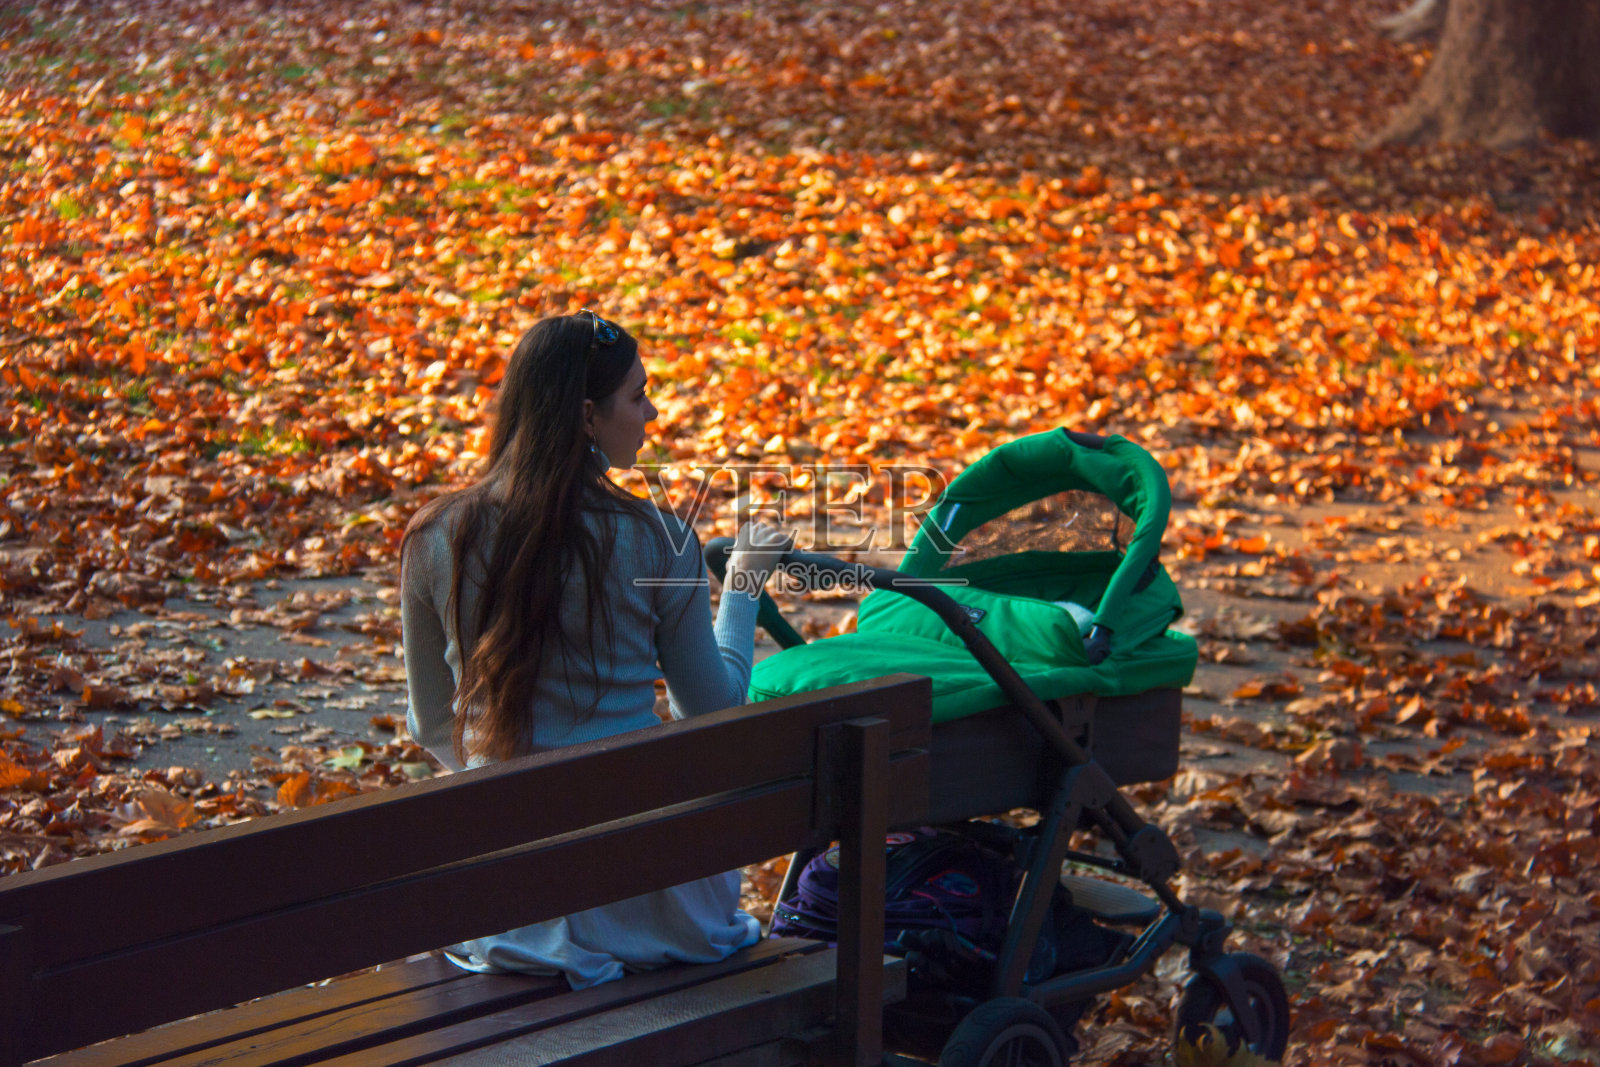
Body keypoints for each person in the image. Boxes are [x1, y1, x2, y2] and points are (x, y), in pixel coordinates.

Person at [399, 309, 791, 989]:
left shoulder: (436, 538)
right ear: (587, 416)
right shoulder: (658, 539)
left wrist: (518, 794)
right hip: (656, 900)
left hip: (505, 909)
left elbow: (433, 725)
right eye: (637, 395)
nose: (651, 411)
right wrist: (746, 580)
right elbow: (716, 709)